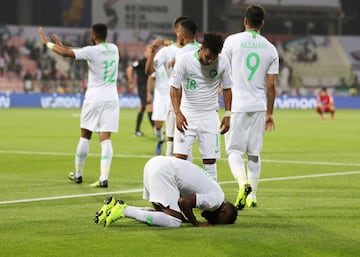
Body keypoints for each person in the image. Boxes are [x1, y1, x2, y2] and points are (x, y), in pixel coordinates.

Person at [38, 23, 120, 188]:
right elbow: (73, 51)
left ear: (94, 35)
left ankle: (78, 174)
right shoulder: (114, 48)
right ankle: (104, 177)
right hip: (112, 98)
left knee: (85, 135)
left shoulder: (92, 51)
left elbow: (65, 53)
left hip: (94, 98)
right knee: (105, 140)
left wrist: (46, 42)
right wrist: (61, 45)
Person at [222, 4, 279, 209]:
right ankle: (253, 195)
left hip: (236, 104)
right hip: (259, 105)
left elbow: (223, 73)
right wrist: (270, 113)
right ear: (262, 23)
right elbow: (271, 85)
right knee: (254, 153)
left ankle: (242, 182)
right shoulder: (270, 48)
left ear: (245, 21)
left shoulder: (231, 42)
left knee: (234, 151)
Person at [93, 156, 238, 227]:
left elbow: (183, 198)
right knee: (175, 222)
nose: (212, 221)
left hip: (155, 163)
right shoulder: (216, 201)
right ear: (223, 212)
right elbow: (184, 202)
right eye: (219, 221)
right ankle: (124, 210)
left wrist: (186, 217)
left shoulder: (216, 189)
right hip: (164, 172)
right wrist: (196, 223)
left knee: (165, 214)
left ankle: (112, 206)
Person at [170, 33, 233, 181]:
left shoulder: (223, 62)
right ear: (202, 48)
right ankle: (178, 197)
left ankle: (213, 197)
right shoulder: (185, 60)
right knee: (180, 159)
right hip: (187, 114)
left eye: (214, 57)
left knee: (210, 160)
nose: (211, 60)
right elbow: (174, 87)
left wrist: (228, 114)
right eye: (208, 56)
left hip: (210, 115)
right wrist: (177, 112)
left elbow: (227, 88)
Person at [145, 16, 190, 156]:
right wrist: (152, 52)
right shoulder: (166, 51)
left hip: (188, 99)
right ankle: (161, 141)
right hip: (167, 94)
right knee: (164, 130)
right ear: (178, 31)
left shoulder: (196, 50)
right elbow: (149, 71)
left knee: (182, 137)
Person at [126, 45, 154, 137]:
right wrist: (131, 81)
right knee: (149, 107)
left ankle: (137, 130)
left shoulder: (152, 62)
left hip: (148, 88)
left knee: (142, 108)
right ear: (146, 53)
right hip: (143, 88)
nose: (152, 53)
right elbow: (129, 69)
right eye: (150, 51)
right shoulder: (141, 62)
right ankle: (156, 130)